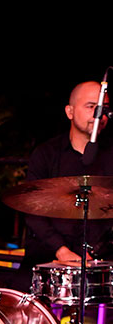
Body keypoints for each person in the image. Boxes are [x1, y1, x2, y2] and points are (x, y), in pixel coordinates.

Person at [25, 80, 113, 266]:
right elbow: (32, 211)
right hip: (50, 258)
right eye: (91, 107)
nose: (99, 115)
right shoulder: (45, 154)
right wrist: (61, 250)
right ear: (70, 112)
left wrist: (100, 250)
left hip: (103, 261)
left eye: (103, 108)